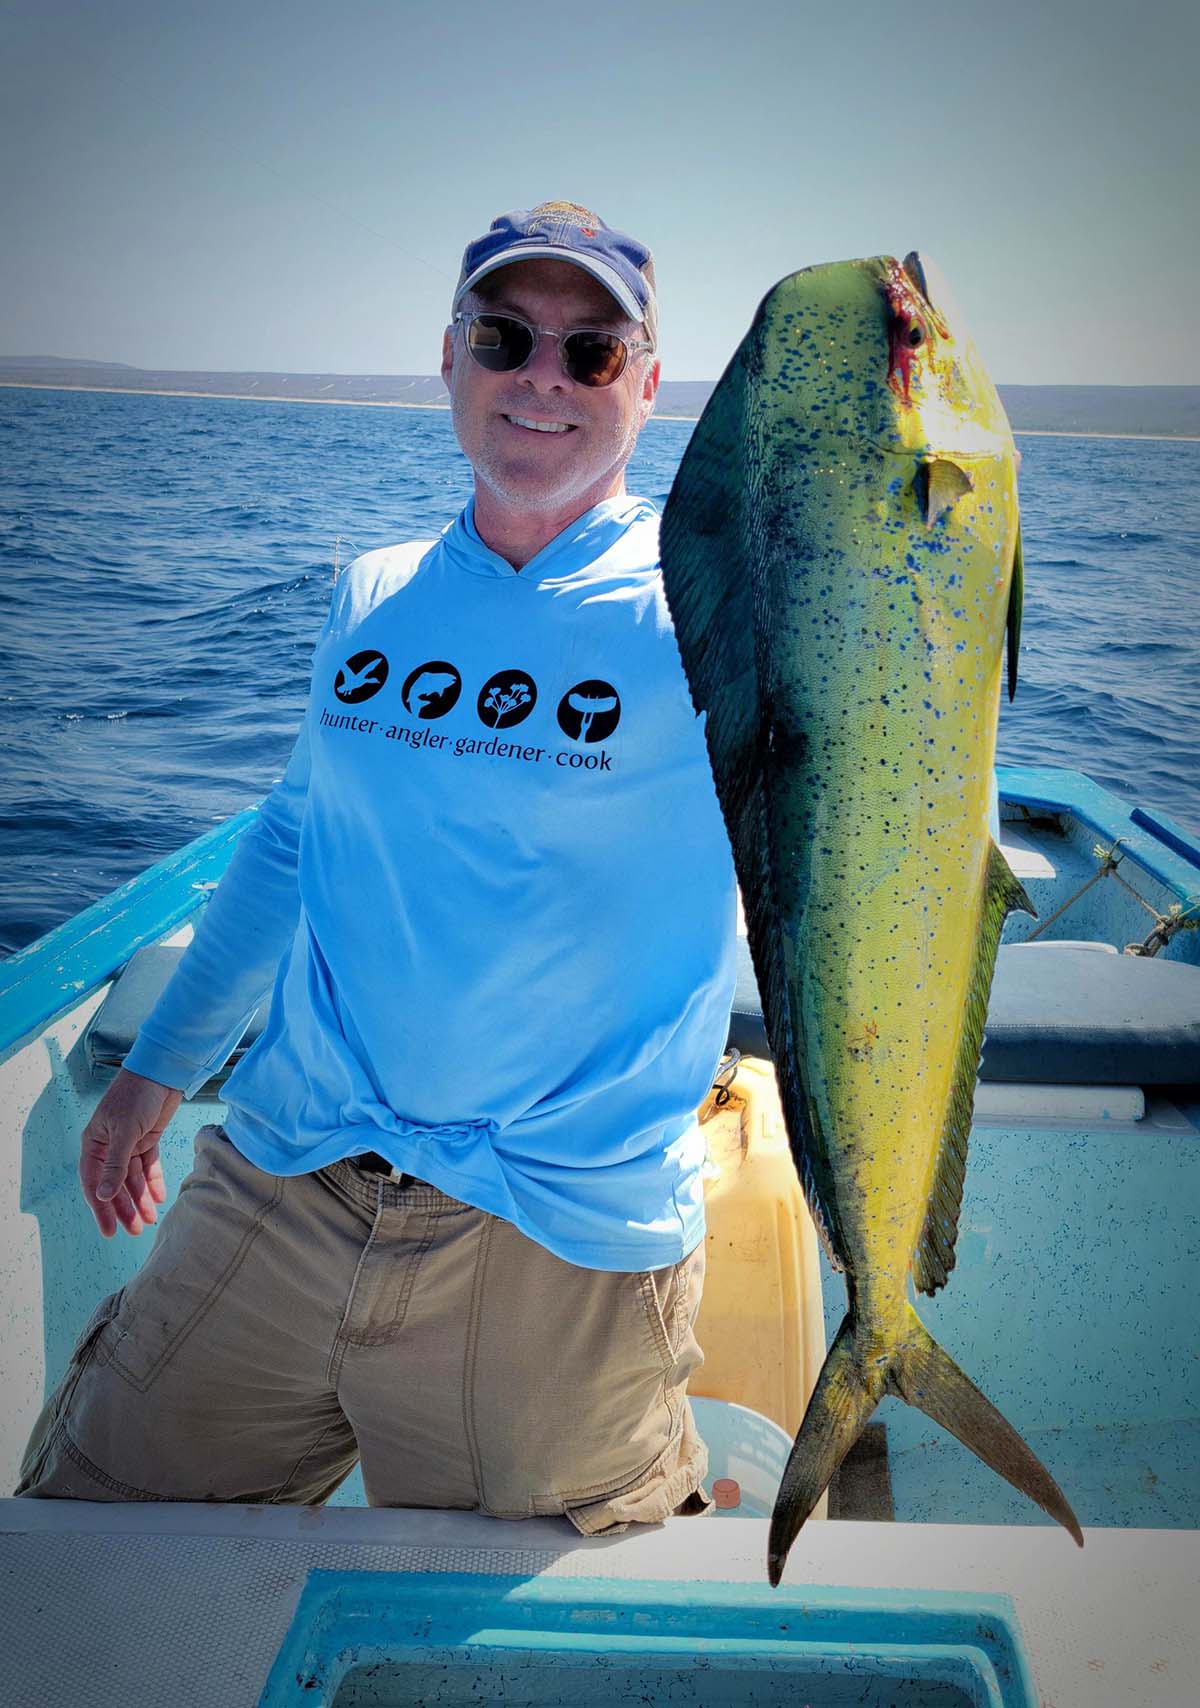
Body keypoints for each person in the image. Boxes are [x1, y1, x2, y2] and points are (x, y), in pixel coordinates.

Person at [15, 202, 737, 1533]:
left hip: (551, 1235)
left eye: (590, 353)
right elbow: (296, 834)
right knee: (81, 1546)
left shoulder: (718, 613)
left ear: (647, 382)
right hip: (287, 1176)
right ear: (451, 356)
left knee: (535, 1662)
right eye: (507, 335)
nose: (541, 377)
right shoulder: (377, 590)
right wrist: (162, 1068)